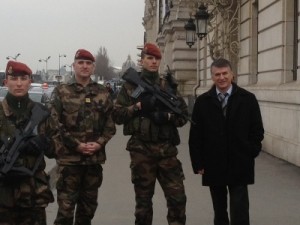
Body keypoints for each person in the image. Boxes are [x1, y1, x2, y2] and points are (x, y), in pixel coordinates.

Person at [113, 43, 188, 225]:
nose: (154, 62)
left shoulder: (168, 86)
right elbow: (117, 115)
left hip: (167, 152)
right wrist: (138, 107)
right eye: (150, 58)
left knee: (177, 200)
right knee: (143, 205)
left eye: (157, 59)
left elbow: (183, 116)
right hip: (141, 152)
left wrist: (167, 117)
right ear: (142, 60)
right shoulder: (130, 86)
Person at [189, 58, 264, 225]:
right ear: (212, 77)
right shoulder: (202, 102)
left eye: (225, 73)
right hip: (213, 162)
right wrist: (198, 162)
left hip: (240, 160)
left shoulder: (248, 99)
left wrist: (251, 151)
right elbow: (195, 136)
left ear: (232, 75)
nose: (221, 77)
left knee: (240, 210)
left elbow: (257, 130)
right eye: (217, 74)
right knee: (219, 209)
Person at [48, 49, 116, 225]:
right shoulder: (61, 91)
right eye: (81, 63)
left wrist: (100, 143)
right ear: (74, 66)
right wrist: (75, 145)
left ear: (93, 67)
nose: (84, 66)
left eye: (88, 63)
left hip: (93, 163)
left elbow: (110, 124)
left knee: (87, 212)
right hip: (69, 163)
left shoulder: (102, 92)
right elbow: (54, 124)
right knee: (65, 212)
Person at [0, 60, 54, 225]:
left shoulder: (41, 112)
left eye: (23, 79)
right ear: (6, 82)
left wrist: (43, 142)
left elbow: (58, 149)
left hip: (34, 195)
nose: (18, 83)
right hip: (3, 196)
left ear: (30, 82)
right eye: (14, 78)